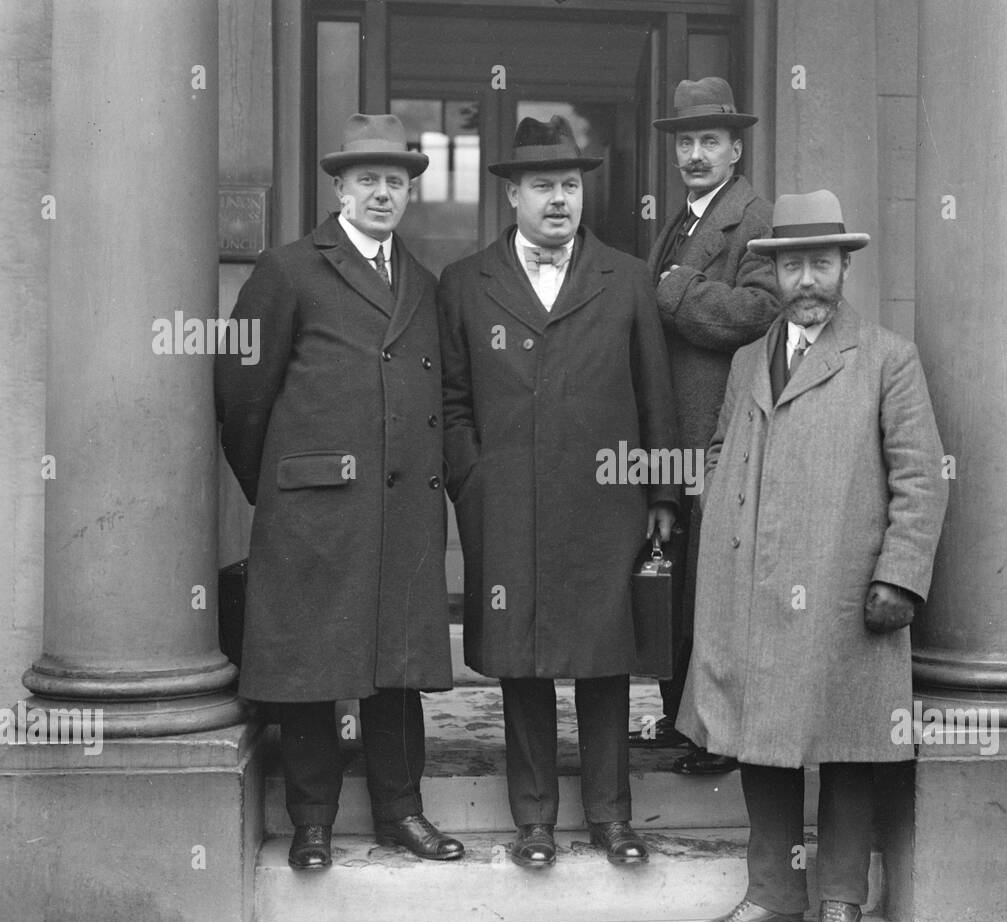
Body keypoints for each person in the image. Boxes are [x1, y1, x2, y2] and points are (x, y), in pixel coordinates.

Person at [678, 190, 948, 922]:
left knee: (848, 741)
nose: (806, 278)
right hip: (751, 589)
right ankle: (771, 893)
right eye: (792, 263)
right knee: (756, 739)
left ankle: (839, 900)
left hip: (843, 589)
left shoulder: (887, 357)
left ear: (843, 267)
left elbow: (921, 479)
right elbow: (725, 452)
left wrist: (899, 575)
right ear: (774, 269)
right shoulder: (744, 359)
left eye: (820, 262)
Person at [215, 113, 462, 871]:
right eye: (368, 181)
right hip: (313, 507)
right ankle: (312, 819)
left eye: (396, 182)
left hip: (401, 513)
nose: (383, 194)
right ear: (339, 188)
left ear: (409, 194)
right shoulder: (289, 269)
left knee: (397, 666)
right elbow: (241, 393)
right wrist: (281, 489)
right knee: (308, 661)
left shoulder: (420, 281)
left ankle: (401, 811)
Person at [438, 115, 679, 869]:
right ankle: (535, 821)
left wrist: (663, 497)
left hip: (606, 504)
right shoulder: (465, 284)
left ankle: (612, 819)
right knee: (524, 661)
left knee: (604, 662)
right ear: (512, 195)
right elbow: (450, 402)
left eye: (570, 186)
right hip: (505, 502)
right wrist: (473, 480)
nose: (558, 200)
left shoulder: (627, 277)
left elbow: (655, 397)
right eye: (542, 186)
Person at [633, 77, 780, 778]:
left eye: (708, 142)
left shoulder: (753, 216)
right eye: (685, 142)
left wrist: (675, 292)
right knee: (679, 577)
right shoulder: (684, 218)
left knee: (714, 586)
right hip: (676, 434)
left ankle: (719, 737)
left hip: (719, 430)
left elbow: (761, 309)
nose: (695, 153)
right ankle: (681, 720)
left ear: (734, 147)